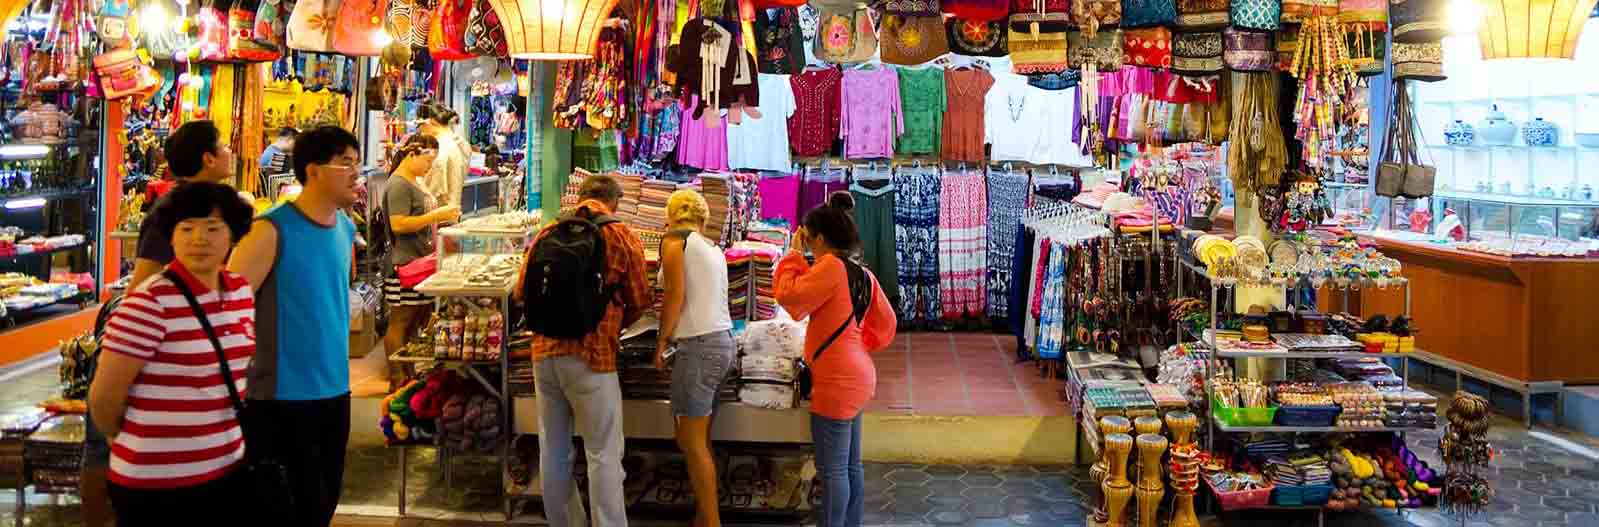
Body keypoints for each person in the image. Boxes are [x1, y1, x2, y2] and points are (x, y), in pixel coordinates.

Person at [81, 119, 237, 527]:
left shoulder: (213, 213)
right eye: (223, 146)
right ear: (208, 157)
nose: (200, 238)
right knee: (103, 448)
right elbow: (143, 283)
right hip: (143, 337)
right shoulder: (173, 212)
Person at [226, 125, 361, 527]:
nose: (356, 172)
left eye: (356, 162)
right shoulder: (270, 231)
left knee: (322, 504)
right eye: (345, 163)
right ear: (313, 170)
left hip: (335, 389)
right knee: (282, 510)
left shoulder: (345, 228)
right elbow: (229, 309)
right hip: (279, 397)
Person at [514, 174, 651, 527]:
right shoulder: (620, 235)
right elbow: (639, 297)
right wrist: (614, 321)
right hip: (593, 355)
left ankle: (563, 522)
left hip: (544, 353)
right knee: (603, 453)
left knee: (554, 449)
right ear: (614, 201)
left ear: (582, 196)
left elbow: (520, 293)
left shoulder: (547, 233)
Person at [773, 192, 896, 527]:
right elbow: (887, 324)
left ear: (821, 239)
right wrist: (858, 343)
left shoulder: (829, 267)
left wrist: (793, 256)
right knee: (850, 466)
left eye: (809, 239)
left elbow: (790, 298)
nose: (807, 245)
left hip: (837, 382)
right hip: (857, 374)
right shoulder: (862, 273)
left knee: (832, 471)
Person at [655, 189, 735, 527]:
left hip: (699, 347)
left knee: (689, 440)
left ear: (671, 215)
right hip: (722, 342)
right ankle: (704, 517)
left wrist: (660, 341)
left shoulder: (674, 241)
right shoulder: (712, 248)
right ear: (701, 218)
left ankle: (711, 523)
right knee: (699, 439)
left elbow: (675, 294)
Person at [383, 134, 459, 384]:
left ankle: (409, 374)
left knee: (415, 320)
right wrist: (436, 214)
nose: (430, 166)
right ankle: (396, 378)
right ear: (411, 154)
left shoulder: (415, 181)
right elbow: (398, 224)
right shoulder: (398, 185)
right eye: (427, 160)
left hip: (419, 262)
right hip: (403, 264)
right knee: (401, 320)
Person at [417, 103, 471, 208]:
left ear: (430, 122)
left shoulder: (439, 149)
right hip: (453, 206)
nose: (420, 131)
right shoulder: (461, 143)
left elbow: (431, 189)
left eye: (419, 125)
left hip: (438, 214)